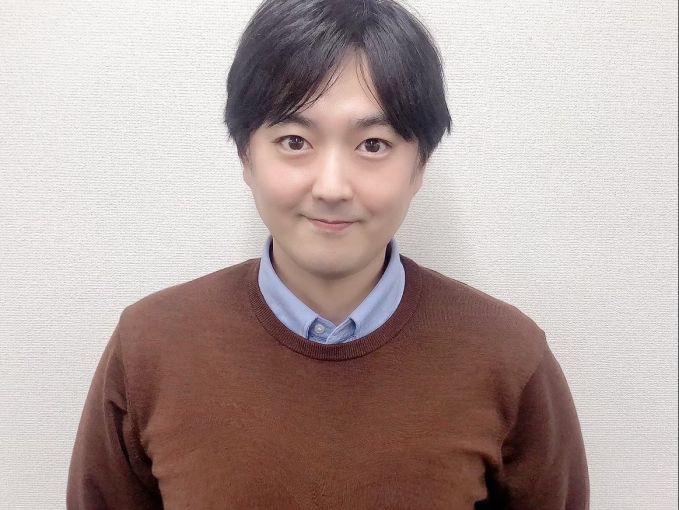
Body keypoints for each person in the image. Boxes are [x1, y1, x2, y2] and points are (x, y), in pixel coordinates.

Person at [66, 0, 590, 508]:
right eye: (295, 141)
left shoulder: (510, 358)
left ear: (420, 166)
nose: (332, 187)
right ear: (246, 156)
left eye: (373, 144)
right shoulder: (148, 348)